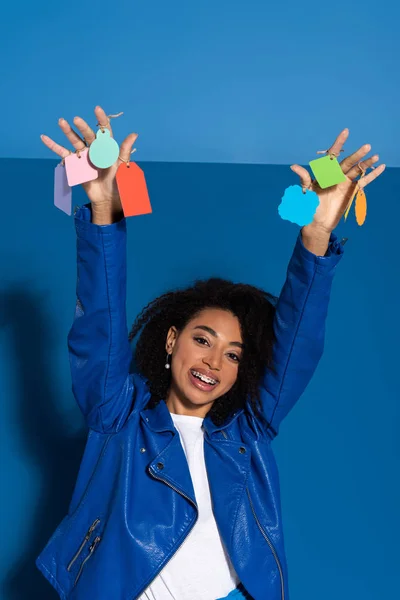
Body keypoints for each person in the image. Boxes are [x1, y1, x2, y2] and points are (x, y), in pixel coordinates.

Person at [37, 106, 385, 600]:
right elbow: (100, 325)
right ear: (172, 339)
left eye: (234, 355)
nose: (214, 363)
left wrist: (315, 236)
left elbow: (297, 345)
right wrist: (102, 211)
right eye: (203, 340)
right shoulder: (119, 415)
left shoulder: (249, 429)